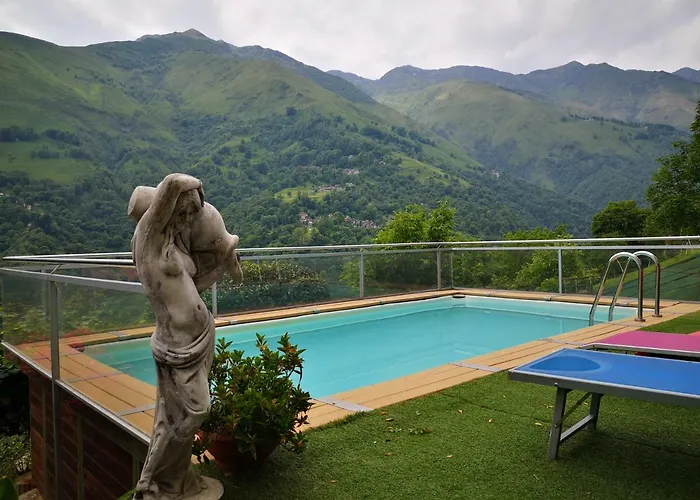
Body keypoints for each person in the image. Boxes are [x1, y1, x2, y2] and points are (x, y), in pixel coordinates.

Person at [130, 173, 238, 499]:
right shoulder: (148, 241)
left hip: (199, 338)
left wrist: (223, 263)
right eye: (184, 211)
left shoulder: (171, 245)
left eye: (192, 213)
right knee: (196, 409)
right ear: (166, 208)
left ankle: (175, 480)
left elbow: (191, 287)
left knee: (176, 415)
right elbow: (174, 182)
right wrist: (197, 186)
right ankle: (151, 479)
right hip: (177, 346)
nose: (188, 218)